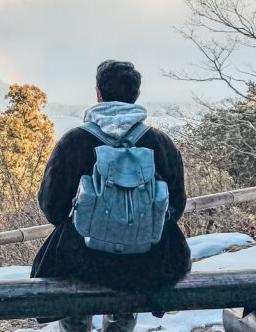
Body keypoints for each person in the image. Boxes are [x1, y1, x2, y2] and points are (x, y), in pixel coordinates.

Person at [31, 60, 191, 332]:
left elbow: (52, 207)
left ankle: (77, 324)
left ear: (98, 94)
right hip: (146, 262)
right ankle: (121, 322)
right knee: (130, 279)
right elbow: (176, 205)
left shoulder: (74, 141)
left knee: (68, 277)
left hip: (83, 260)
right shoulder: (160, 143)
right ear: (136, 95)